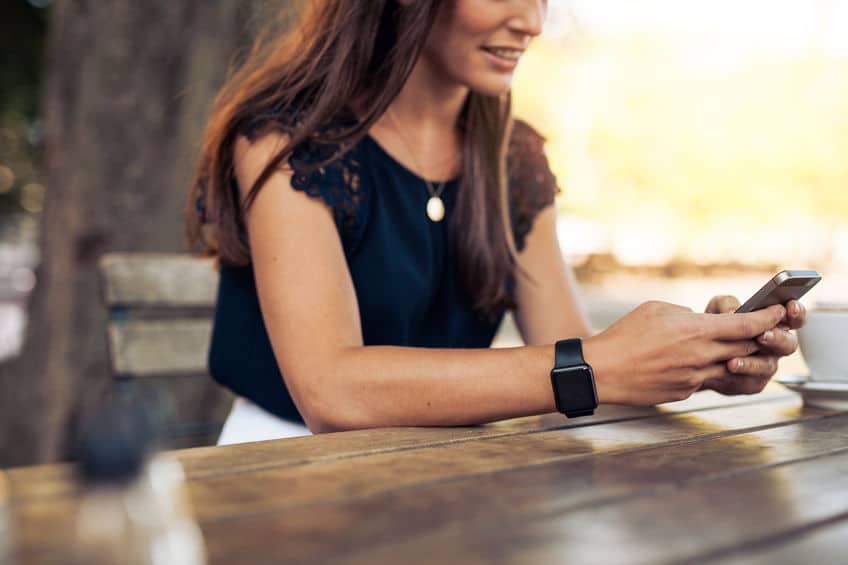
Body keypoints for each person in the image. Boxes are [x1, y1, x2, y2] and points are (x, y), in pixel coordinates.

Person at [186, 0, 806, 445]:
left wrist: (690, 362)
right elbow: (331, 394)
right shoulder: (285, 141)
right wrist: (597, 364)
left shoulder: (514, 158)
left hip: (455, 465)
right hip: (282, 469)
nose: (533, 21)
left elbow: (581, 364)